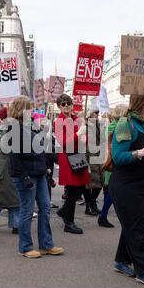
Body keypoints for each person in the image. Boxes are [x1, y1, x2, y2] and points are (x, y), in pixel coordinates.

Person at [110, 95, 144, 288]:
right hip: (127, 186)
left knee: (134, 224)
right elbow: (118, 157)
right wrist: (140, 153)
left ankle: (121, 261)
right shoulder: (126, 124)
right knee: (138, 228)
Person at [9, 97, 64, 258]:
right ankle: (25, 247)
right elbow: (15, 157)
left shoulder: (32, 125)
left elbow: (42, 149)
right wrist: (23, 176)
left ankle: (46, 245)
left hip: (39, 173)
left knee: (45, 208)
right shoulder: (14, 127)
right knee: (27, 210)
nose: (32, 111)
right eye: (29, 108)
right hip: (25, 175)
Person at [55, 94, 90, 234]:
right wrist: (78, 135)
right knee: (73, 190)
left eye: (68, 103)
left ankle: (64, 211)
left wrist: (84, 136)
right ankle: (69, 222)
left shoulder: (77, 119)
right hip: (67, 158)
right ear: (59, 106)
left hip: (78, 156)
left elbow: (84, 141)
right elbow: (63, 143)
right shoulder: (58, 121)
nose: (66, 106)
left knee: (81, 187)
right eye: (63, 104)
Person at [99, 104, 128, 228]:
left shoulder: (112, 126)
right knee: (114, 192)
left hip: (112, 160)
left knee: (113, 192)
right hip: (115, 162)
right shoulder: (118, 126)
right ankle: (103, 216)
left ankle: (104, 216)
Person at [83, 104, 103, 217]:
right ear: (90, 114)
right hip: (87, 156)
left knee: (100, 182)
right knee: (88, 184)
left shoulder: (97, 125)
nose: (97, 115)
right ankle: (88, 205)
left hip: (97, 156)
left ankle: (92, 202)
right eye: (96, 113)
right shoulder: (84, 126)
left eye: (98, 113)